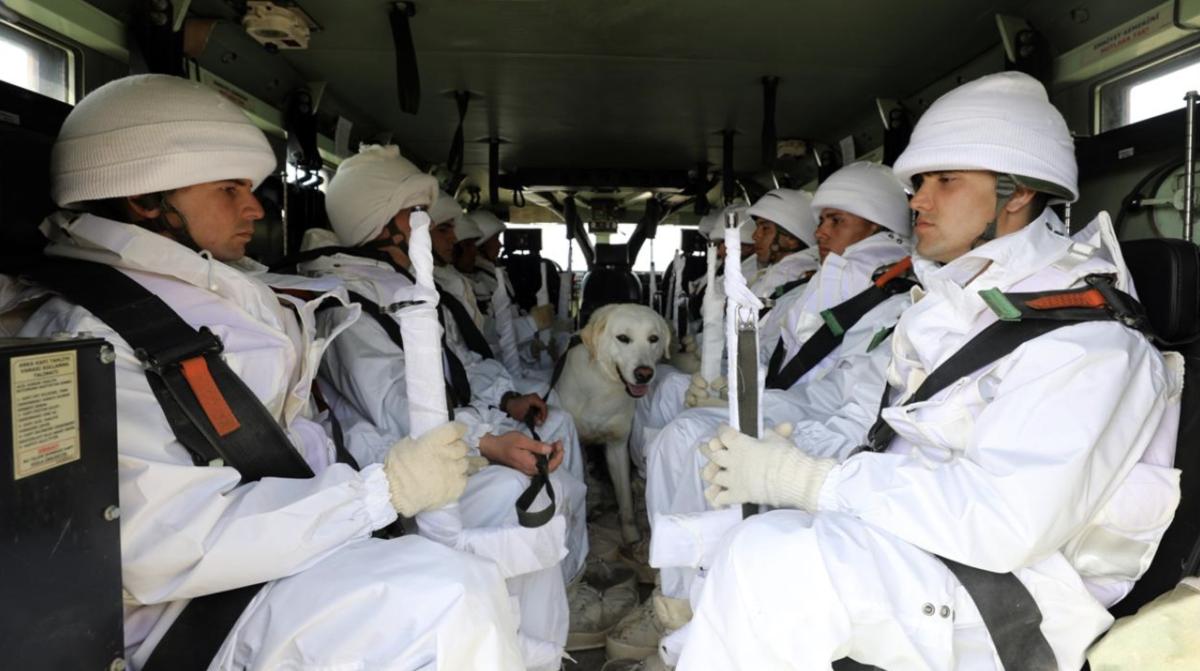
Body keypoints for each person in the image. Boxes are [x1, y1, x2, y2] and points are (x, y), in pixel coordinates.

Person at [10, 74, 524, 670]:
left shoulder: (224, 292)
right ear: (146, 200)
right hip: (195, 612)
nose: (255, 207)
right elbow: (159, 543)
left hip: (283, 551)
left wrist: (394, 474)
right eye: (230, 189)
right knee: (447, 600)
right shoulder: (89, 332)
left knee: (468, 584)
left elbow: (307, 435)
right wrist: (380, 493)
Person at [677, 71, 1183, 671]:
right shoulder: (966, 307)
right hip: (936, 552)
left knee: (774, 563)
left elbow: (1003, 523)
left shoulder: (1090, 347)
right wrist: (816, 467)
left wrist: (816, 482)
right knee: (746, 536)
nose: (917, 200)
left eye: (945, 181)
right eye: (920, 182)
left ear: (1015, 193)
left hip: (1015, 596)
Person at [612, 162, 914, 666]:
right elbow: (782, 362)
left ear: (879, 228)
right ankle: (673, 585)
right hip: (797, 406)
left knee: (698, 441)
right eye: (819, 221)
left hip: (828, 434)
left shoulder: (890, 300)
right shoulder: (830, 283)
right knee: (681, 431)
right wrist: (723, 388)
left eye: (834, 221)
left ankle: (697, 603)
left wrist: (783, 440)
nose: (821, 232)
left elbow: (849, 404)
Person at [302, 144, 589, 670]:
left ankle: (551, 627)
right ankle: (520, 648)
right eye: (422, 217)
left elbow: (456, 366)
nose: (441, 229)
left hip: (453, 432)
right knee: (517, 494)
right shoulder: (348, 300)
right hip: (395, 461)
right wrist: (487, 442)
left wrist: (501, 405)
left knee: (550, 468)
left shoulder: (402, 285)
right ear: (386, 224)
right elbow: (399, 405)